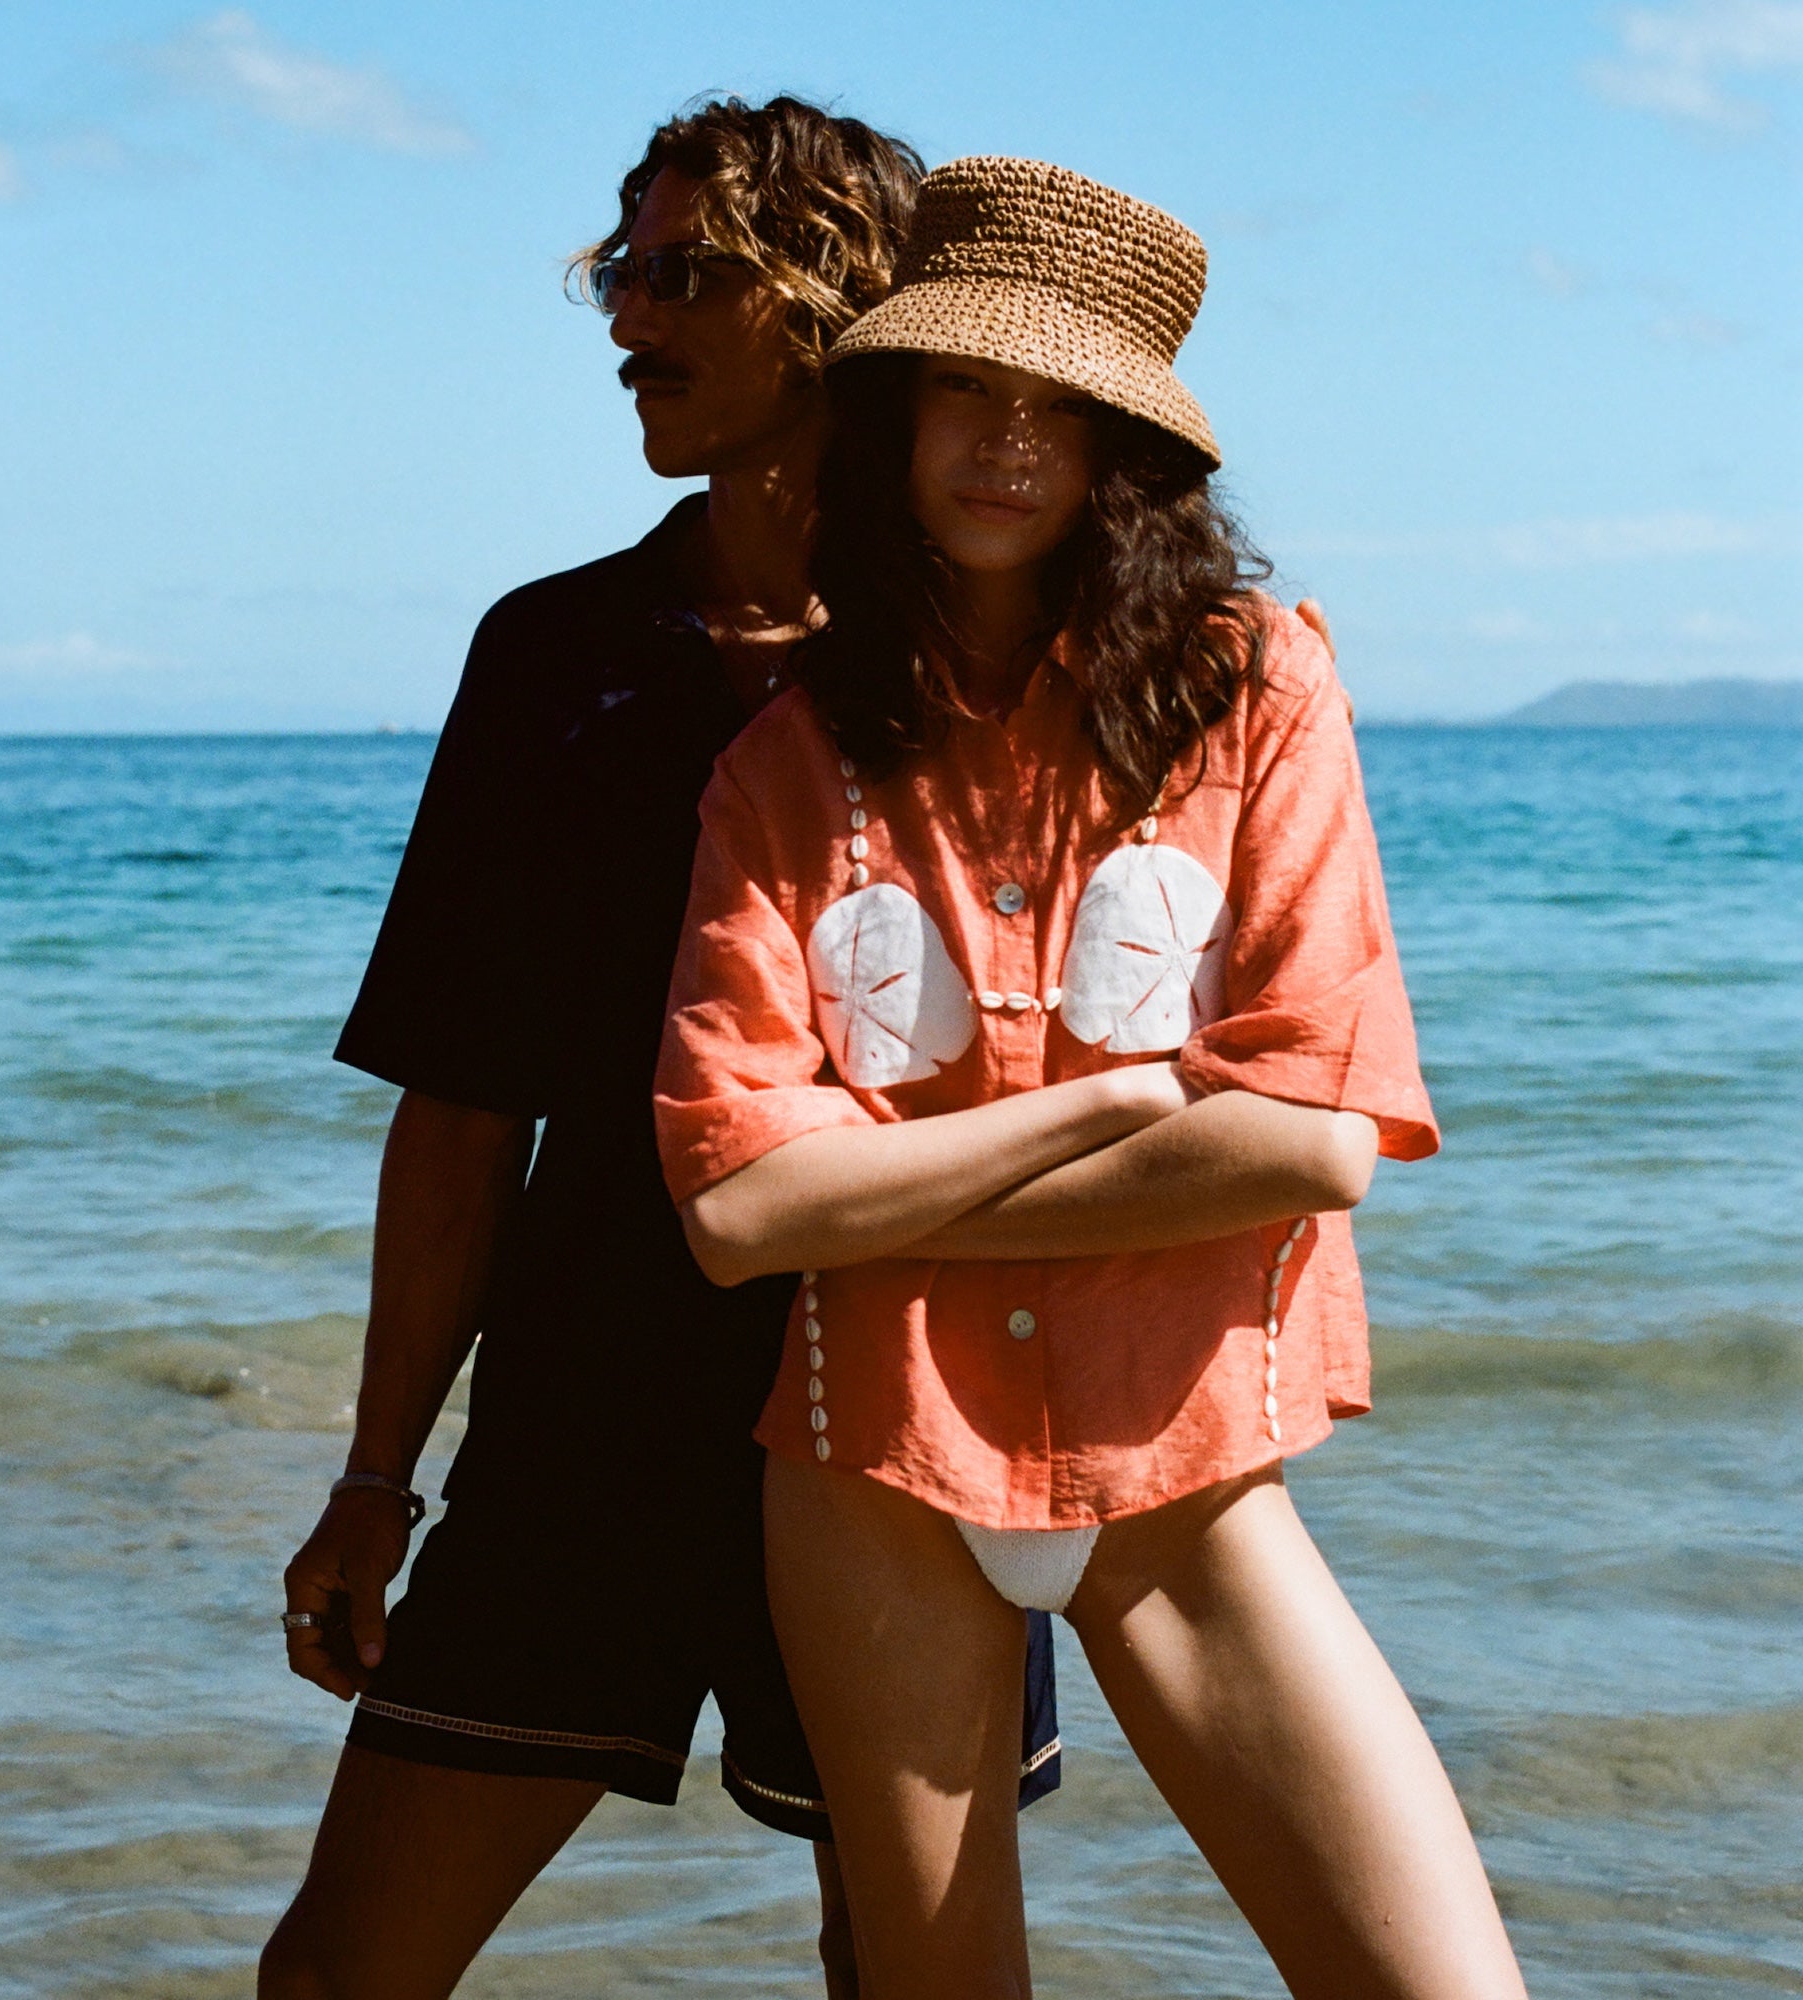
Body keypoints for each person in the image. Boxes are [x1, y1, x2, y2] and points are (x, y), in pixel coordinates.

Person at [654, 158, 1531, 1998]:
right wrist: (1109, 1109)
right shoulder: (788, 766)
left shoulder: (1256, 689)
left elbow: (1312, 1141)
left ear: (1131, 450)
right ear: (895, 412)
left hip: (1187, 1466)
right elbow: (736, 1212)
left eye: (1064, 407)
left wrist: (891, 1181)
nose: (1005, 443)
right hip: (868, 1464)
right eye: (969, 388)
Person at [257, 100, 1070, 2000]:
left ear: (841, 307)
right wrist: (377, 1475)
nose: (630, 313)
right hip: (583, 1420)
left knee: (910, 1969)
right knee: (339, 1973)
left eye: (688, 272)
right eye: (620, 269)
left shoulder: (987, 664)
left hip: (912, 1424)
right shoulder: (555, 656)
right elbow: (462, 1113)